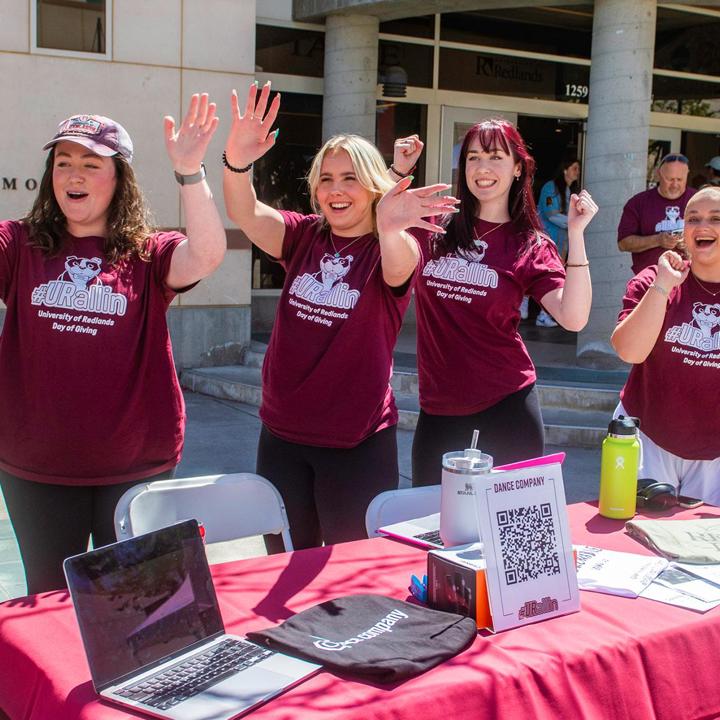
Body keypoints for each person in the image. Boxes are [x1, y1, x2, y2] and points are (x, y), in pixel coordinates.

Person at [0, 95, 226, 594]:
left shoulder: (147, 252)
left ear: (118, 178)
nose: (72, 175)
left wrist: (190, 171)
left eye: (89, 163)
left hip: (135, 465)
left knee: (136, 605)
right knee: (51, 600)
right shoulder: (19, 243)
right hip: (37, 467)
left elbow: (208, 254)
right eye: (63, 163)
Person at [223, 82, 457, 550]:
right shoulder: (304, 236)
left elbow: (399, 262)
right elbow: (246, 212)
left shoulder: (394, 246)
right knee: (282, 563)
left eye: (349, 178)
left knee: (348, 575)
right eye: (326, 179)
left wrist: (390, 225)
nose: (335, 190)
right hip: (282, 437)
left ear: (372, 185)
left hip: (356, 444)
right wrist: (236, 161)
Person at [392, 119, 598, 488]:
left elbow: (574, 317)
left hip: (508, 409)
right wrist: (398, 172)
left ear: (518, 168)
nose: (482, 168)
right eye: (473, 157)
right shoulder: (434, 225)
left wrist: (577, 235)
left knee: (510, 534)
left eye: (495, 156)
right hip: (438, 412)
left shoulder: (529, 244)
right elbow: (379, 227)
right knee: (430, 528)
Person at [611, 185, 720, 504]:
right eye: (693, 218)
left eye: (716, 218)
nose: (703, 226)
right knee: (636, 543)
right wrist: (662, 287)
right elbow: (629, 351)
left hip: (714, 455)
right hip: (647, 439)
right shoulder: (652, 279)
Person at [618, 153, 696, 275]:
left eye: (680, 180)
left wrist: (690, 243)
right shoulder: (638, 203)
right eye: (670, 179)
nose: (675, 185)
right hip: (650, 281)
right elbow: (623, 243)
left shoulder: (698, 200)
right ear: (658, 174)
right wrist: (657, 240)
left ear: (687, 175)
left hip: (691, 279)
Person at [528, 156, 581, 327]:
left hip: (559, 241)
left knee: (552, 276)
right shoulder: (551, 187)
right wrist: (575, 224)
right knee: (545, 276)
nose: (577, 172)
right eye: (574, 168)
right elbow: (551, 214)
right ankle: (539, 315)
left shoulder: (568, 189)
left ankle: (542, 314)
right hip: (546, 240)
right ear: (565, 169)